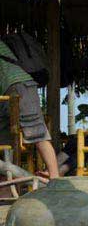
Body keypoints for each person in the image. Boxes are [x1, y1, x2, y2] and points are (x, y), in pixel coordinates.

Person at [0, 36, 59, 179]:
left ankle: (55, 178)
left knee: (37, 133)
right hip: (8, 90)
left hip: (20, 85)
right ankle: (6, 188)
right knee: (3, 140)